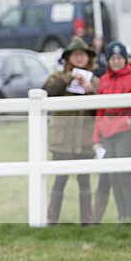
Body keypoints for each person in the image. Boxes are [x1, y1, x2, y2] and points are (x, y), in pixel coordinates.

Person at [91, 41, 131, 222]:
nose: (116, 62)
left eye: (119, 58)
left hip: (129, 132)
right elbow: (100, 111)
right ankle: (121, 215)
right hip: (108, 133)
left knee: (125, 176)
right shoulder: (104, 81)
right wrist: (96, 138)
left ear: (125, 59)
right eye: (113, 58)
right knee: (114, 177)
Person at [42, 37, 99, 225]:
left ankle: (86, 220)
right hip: (63, 139)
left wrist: (90, 91)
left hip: (85, 139)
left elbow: (100, 110)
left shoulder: (96, 82)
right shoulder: (58, 77)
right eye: (76, 55)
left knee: (85, 181)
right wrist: (69, 78)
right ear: (69, 58)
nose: (80, 58)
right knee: (60, 179)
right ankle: (52, 219)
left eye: (83, 55)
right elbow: (46, 91)